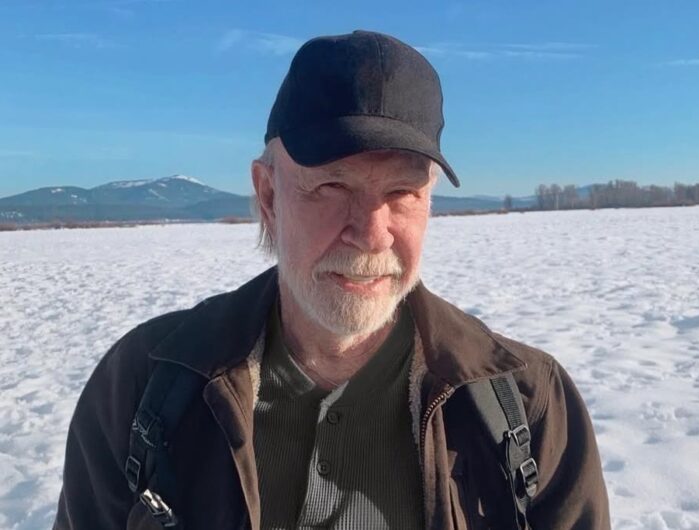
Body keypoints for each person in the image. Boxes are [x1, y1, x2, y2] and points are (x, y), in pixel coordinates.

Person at [53, 30, 610, 530]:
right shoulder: (143, 386)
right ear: (268, 196)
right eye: (332, 187)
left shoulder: (527, 404)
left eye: (402, 192)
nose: (370, 234)